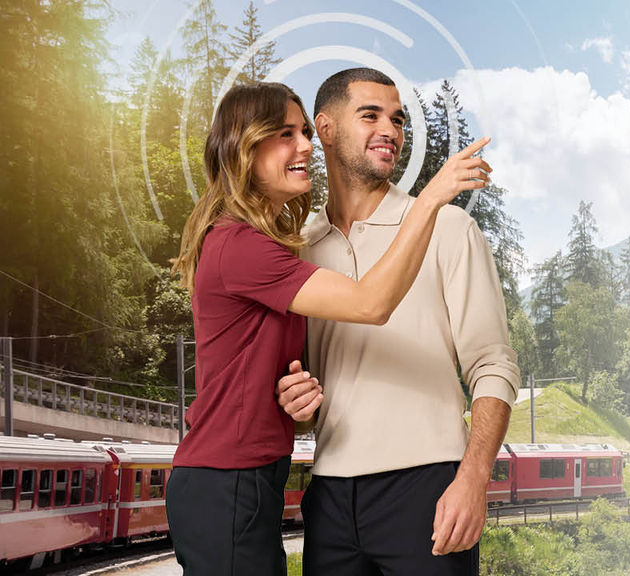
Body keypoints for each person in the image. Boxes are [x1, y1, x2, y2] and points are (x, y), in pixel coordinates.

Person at [166, 81, 491, 576]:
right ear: (243, 150)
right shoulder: (247, 246)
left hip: (256, 479)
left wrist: (295, 399)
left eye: (302, 133)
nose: (303, 147)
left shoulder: (275, 249)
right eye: (283, 134)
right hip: (234, 480)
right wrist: (432, 199)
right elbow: (370, 303)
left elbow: (278, 375)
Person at [273, 68, 517, 576]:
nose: (390, 129)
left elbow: (493, 364)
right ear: (326, 128)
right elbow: (309, 393)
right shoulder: (301, 247)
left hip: (428, 488)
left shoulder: (449, 228)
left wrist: (473, 480)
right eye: (370, 115)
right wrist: (296, 403)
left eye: (398, 119)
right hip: (331, 496)